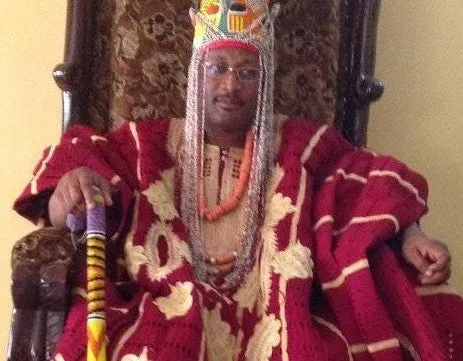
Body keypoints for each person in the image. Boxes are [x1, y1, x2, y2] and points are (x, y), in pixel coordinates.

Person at [13, 1, 462, 360]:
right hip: (170, 301)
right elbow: (76, 176)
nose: (230, 86)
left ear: (264, 81)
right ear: (196, 73)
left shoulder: (300, 145)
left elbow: (369, 184)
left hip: (280, 307)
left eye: (247, 74)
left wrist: (411, 235)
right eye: (218, 69)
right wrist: (69, 193)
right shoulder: (145, 143)